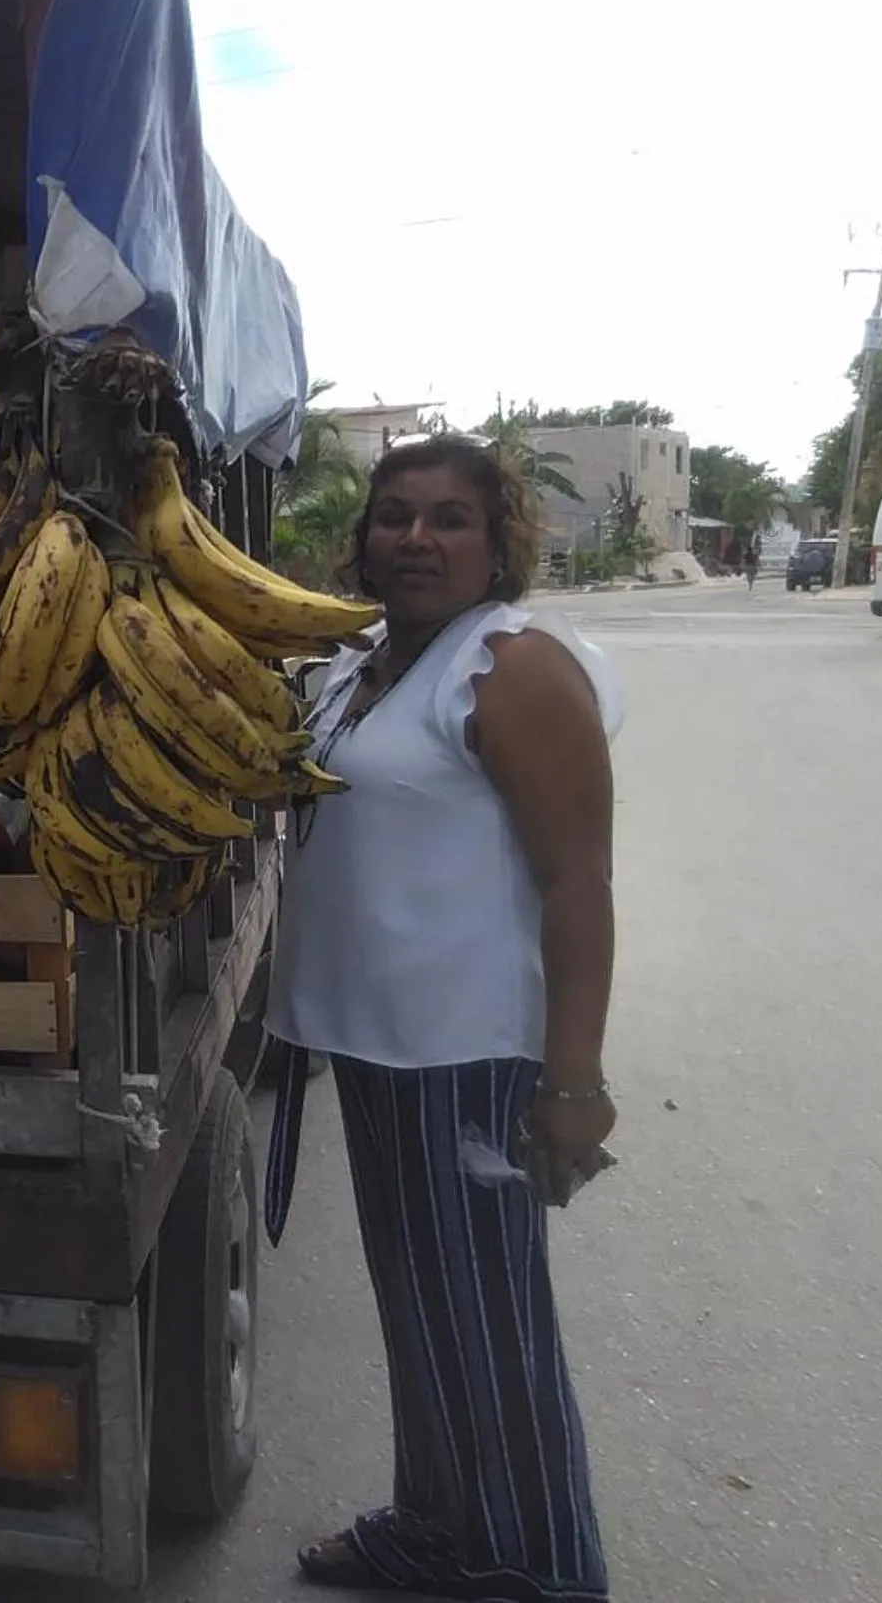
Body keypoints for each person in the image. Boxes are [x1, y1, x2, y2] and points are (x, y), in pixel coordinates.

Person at [264, 434, 621, 1602]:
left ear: (495, 538)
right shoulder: (362, 655)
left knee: (492, 1335)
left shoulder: (509, 668)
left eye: (449, 519)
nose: (416, 539)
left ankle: (542, 1573)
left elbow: (578, 882)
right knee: (424, 1315)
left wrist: (574, 1082)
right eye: (396, 515)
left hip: (465, 1055)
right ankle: (435, 1527)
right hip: (373, 1047)